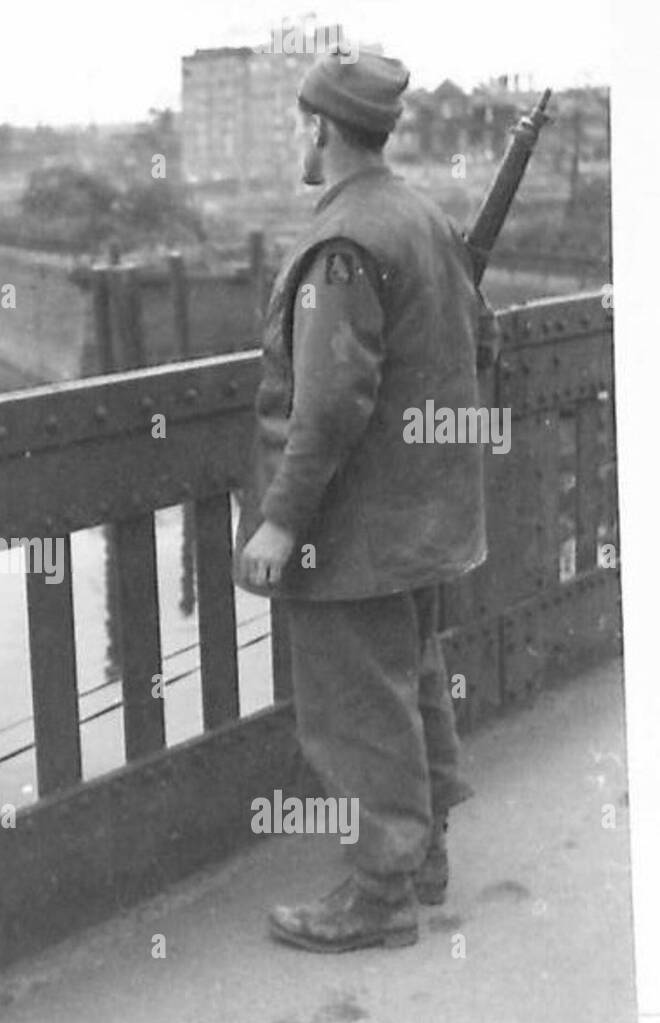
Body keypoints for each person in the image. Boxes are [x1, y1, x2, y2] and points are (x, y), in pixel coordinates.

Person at [234, 50, 490, 952]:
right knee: (412, 682)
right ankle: (422, 857)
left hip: (355, 531)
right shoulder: (421, 217)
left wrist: (279, 518)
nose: (296, 137)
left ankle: (380, 895)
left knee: (355, 708)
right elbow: (476, 349)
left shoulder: (343, 243)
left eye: (300, 122)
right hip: (421, 516)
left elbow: (330, 401)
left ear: (321, 128)